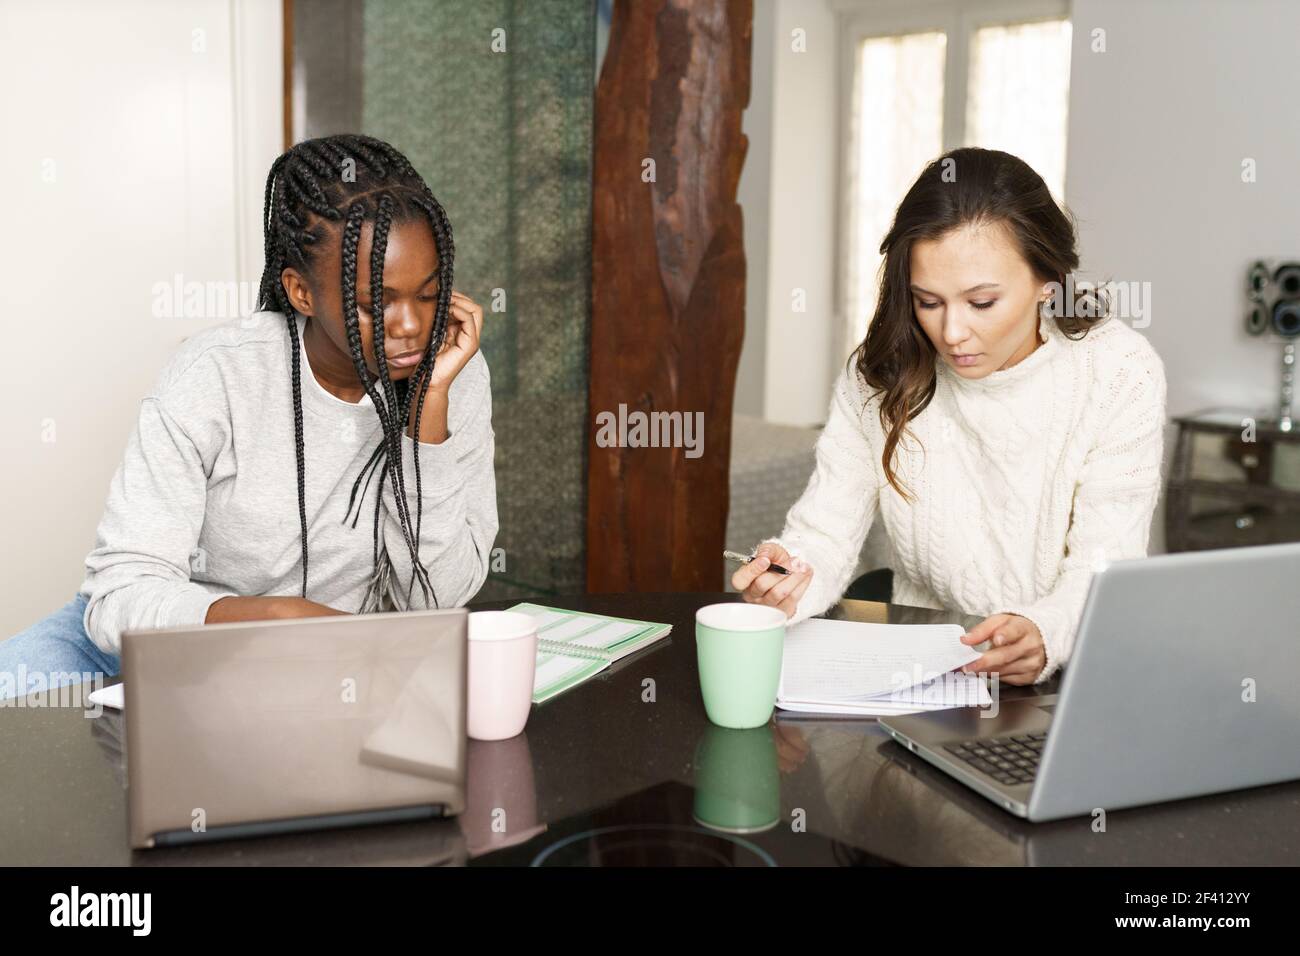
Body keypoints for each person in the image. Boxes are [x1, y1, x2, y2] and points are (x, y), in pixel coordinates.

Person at [0, 134, 498, 699]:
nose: (410, 325)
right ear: (300, 291)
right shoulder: (214, 376)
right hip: (157, 640)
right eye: (373, 302)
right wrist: (274, 618)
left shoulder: (451, 373)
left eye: (430, 295)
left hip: (325, 662)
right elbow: (120, 597)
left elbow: (434, 601)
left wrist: (427, 412)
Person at [733, 147, 1166, 686]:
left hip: (1075, 672)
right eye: (928, 302)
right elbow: (825, 534)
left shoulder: (1117, 371)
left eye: (982, 302)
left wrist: (1044, 630)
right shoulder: (881, 374)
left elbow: (1106, 566)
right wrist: (786, 580)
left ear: (1047, 282)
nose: (952, 333)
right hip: (926, 667)